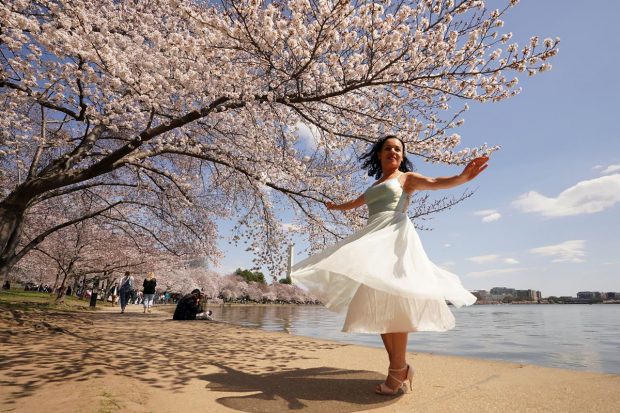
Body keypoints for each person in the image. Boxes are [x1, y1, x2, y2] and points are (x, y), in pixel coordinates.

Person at [291, 135, 488, 395]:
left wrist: (461, 178)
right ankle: (401, 369)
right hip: (375, 241)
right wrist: (336, 207)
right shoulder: (375, 185)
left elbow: (436, 182)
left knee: (396, 303)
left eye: (398, 149)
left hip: (396, 241)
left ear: (402, 156)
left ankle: (396, 374)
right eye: (388, 148)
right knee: (380, 309)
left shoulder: (406, 178)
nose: (393, 152)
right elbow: (356, 203)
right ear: (379, 155)